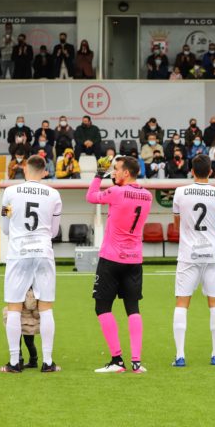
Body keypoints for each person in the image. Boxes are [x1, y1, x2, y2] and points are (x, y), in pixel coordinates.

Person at [87, 157, 153, 373]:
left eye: (115, 169)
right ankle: (136, 361)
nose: (113, 173)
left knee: (102, 307)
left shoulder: (116, 192)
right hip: (134, 259)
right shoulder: (147, 195)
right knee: (133, 308)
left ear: (126, 172)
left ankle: (117, 360)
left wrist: (98, 174)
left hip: (111, 259)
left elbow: (91, 197)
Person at [0, 156, 62, 373]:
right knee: (45, 308)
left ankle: (15, 362)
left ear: (25, 169)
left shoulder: (10, 192)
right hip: (43, 251)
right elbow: (54, 231)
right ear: (45, 172)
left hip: (19, 252)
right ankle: (47, 362)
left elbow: (5, 227)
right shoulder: (54, 194)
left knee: (14, 307)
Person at [171, 155, 215, 367]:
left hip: (188, 254)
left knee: (182, 303)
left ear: (191, 171)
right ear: (211, 171)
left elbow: (176, 225)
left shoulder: (180, 192)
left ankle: (180, 356)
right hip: (212, 254)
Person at [1, 288, 40, 369]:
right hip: (28, 322)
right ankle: (33, 361)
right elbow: (36, 312)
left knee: (19, 342)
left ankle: (20, 361)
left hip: (20, 320)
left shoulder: (18, 289)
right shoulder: (35, 292)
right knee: (29, 342)